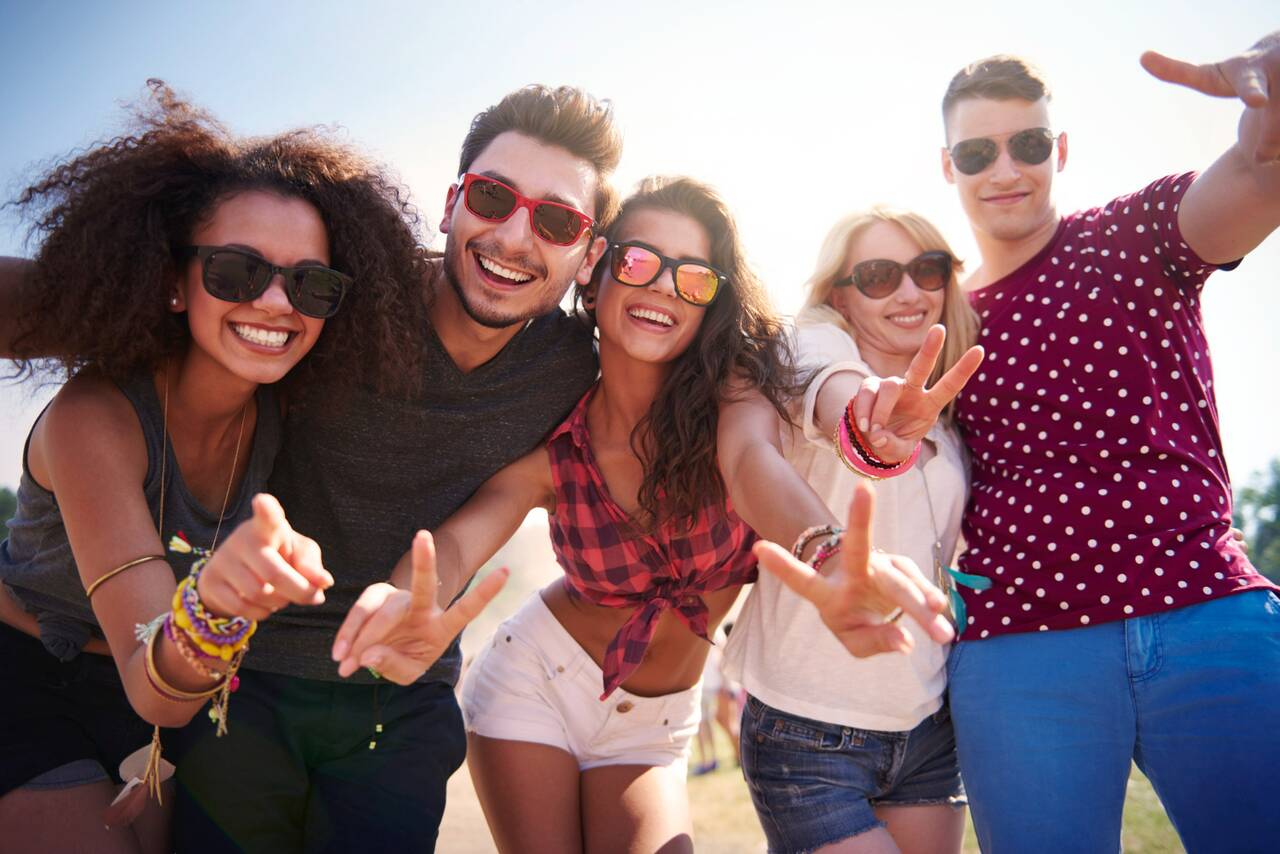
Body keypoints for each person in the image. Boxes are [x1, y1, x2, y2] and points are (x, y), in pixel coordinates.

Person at [333, 177, 963, 853]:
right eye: (638, 263)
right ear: (598, 271)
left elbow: (752, 466)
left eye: (693, 278)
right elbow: (462, 540)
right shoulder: (557, 443)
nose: (664, 288)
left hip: (655, 724)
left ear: (711, 301)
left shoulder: (738, 393)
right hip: (536, 684)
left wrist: (828, 551)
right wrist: (403, 597)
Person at [0, 82, 427, 852]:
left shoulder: (289, 409)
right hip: (22, 674)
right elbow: (152, 678)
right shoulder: (94, 417)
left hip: (146, 706)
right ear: (170, 280)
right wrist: (215, 609)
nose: (274, 303)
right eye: (236, 271)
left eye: (312, 284)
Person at [934, 39, 1280, 851]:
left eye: (1027, 145)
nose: (1005, 169)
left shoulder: (1142, 230)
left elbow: (1258, 178)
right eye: (977, 152)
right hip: (1022, 647)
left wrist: (1271, 123)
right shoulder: (936, 315)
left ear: (1059, 150)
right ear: (947, 167)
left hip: (1206, 614)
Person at [726, 207, 980, 854]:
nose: (909, 292)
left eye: (927, 270)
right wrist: (864, 421)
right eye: (877, 276)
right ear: (839, 294)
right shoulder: (806, 351)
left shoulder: (947, 429)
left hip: (926, 724)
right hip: (808, 729)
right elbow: (829, 388)